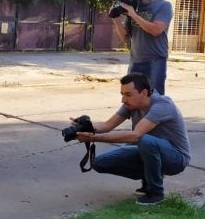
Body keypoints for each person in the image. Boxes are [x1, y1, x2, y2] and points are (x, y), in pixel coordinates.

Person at [74, 73, 190, 205]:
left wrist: (93, 137)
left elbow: (135, 134)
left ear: (144, 93)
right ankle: (149, 179)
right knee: (98, 162)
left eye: (128, 94)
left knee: (144, 140)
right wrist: (84, 127)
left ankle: (156, 193)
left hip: (176, 158)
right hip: (149, 151)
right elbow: (107, 125)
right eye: (122, 94)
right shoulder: (131, 104)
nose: (123, 100)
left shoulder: (162, 105)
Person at [110, 0, 173, 95]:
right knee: (132, 97)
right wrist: (116, 20)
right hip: (135, 60)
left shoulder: (164, 6)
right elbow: (125, 37)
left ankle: (152, 115)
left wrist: (134, 14)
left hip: (156, 60)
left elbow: (156, 30)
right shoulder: (134, 6)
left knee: (155, 96)